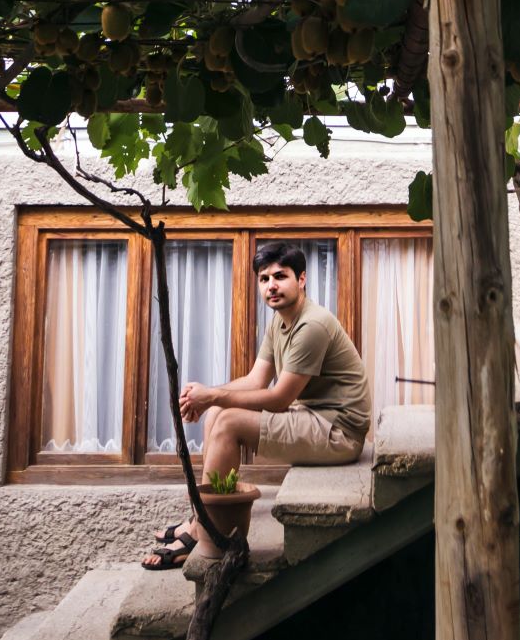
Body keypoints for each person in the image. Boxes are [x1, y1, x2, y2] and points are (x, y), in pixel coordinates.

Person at [141, 241, 371, 570]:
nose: (271, 285)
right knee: (219, 415)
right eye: (264, 279)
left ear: (301, 279)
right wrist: (206, 399)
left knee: (228, 422)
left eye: (280, 276)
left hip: (339, 433)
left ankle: (202, 529)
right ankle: (202, 520)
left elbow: (279, 399)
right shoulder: (279, 322)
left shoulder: (312, 326)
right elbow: (255, 381)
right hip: (316, 418)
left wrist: (212, 396)